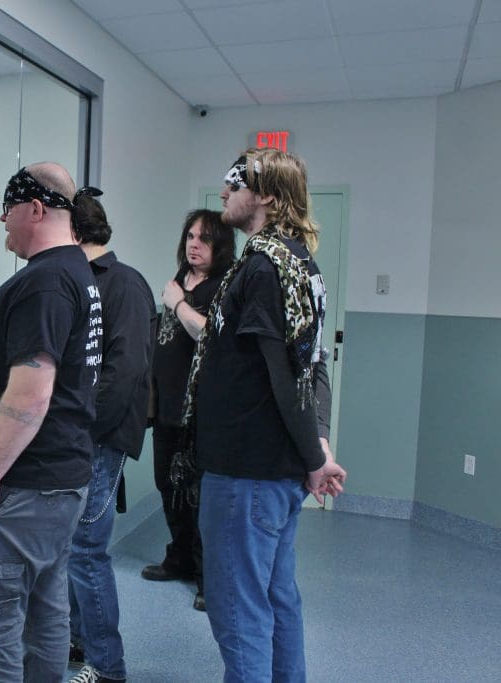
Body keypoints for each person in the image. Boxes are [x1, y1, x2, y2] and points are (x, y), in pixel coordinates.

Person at [172, 147, 346, 682]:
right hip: (270, 472)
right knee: (276, 599)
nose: (224, 192)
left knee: (239, 613)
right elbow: (312, 366)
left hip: (247, 474)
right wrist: (317, 447)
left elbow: (288, 374)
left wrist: (315, 456)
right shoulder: (300, 266)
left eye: (234, 183)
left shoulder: (268, 268)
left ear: (265, 194)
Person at [0, 162, 103, 682]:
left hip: (25, 487)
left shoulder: (48, 281)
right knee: (45, 609)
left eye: (7, 209)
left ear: (35, 208)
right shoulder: (74, 272)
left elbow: (33, 393)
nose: (2, 221)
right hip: (55, 481)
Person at [65, 194, 156, 683]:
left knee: (86, 550)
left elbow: (124, 372)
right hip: (79, 434)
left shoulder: (125, 284)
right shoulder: (81, 280)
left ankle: (107, 668)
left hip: (99, 436)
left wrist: (83, 425)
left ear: (74, 233)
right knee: (72, 549)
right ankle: (78, 640)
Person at [141, 209, 235, 612]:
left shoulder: (222, 287)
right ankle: (177, 558)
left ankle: (206, 577)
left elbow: (208, 337)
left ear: (220, 248)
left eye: (205, 239)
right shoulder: (180, 280)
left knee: (198, 496)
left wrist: (178, 304)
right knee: (167, 486)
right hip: (167, 409)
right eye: (191, 236)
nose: (194, 244)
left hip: (200, 413)